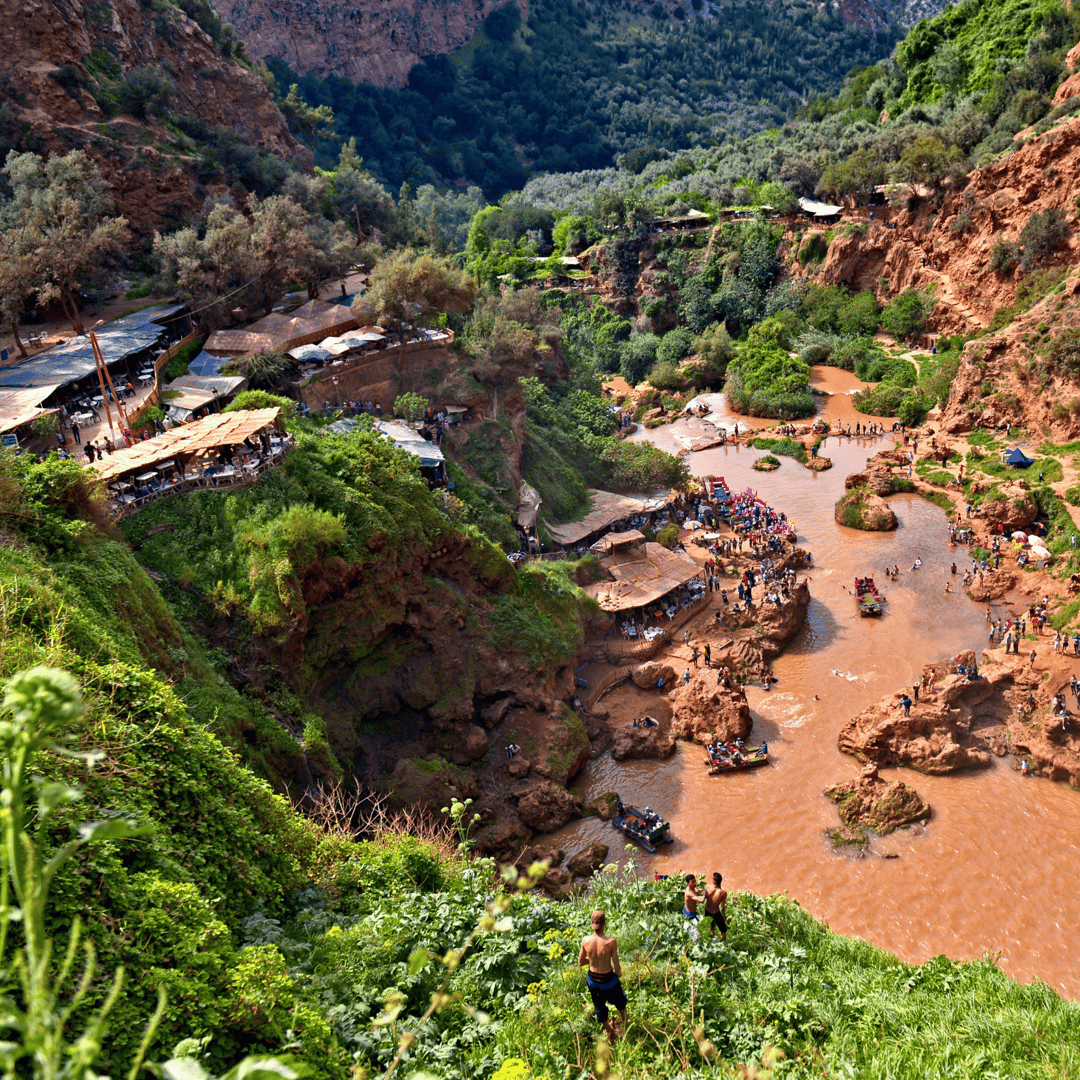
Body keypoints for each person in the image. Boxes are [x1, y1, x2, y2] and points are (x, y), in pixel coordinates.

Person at [578, 911, 627, 1043]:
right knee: (620, 1000)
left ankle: (609, 1030)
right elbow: (617, 966)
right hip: (608, 979)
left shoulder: (585, 941)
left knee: (599, 1006)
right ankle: (624, 1022)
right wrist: (618, 974)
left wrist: (593, 958)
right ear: (604, 923)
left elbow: (581, 962)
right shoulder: (611, 942)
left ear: (591, 924)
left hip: (593, 980)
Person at [703, 873, 728, 942]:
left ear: (714, 881)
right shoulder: (723, 893)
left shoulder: (707, 887)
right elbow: (722, 907)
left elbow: (703, 898)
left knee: (710, 927)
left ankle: (710, 940)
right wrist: (724, 916)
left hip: (707, 911)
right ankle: (723, 946)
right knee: (723, 931)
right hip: (716, 913)